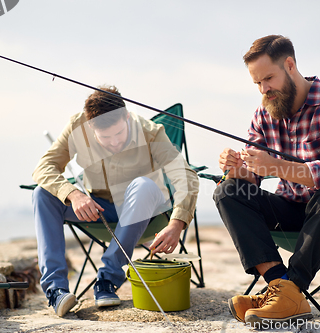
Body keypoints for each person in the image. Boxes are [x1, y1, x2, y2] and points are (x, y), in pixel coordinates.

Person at [214, 35, 320, 326]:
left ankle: (290, 290)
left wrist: (279, 167)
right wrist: (235, 168)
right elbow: (255, 175)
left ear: (290, 65)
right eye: (257, 83)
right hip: (292, 209)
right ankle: (281, 286)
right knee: (228, 191)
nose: (264, 89)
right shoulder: (264, 111)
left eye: (269, 79)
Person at [32, 85, 199, 317]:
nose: (114, 143)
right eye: (105, 137)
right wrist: (74, 194)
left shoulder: (150, 131)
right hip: (99, 209)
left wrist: (177, 222)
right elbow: (44, 167)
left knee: (143, 185)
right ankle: (56, 290)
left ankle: (107, 280)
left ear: (127, 117)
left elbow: (185, 175)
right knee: (42, 194)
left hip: (144, 211)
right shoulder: (77, 126)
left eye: (119, 133)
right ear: (91, 127)